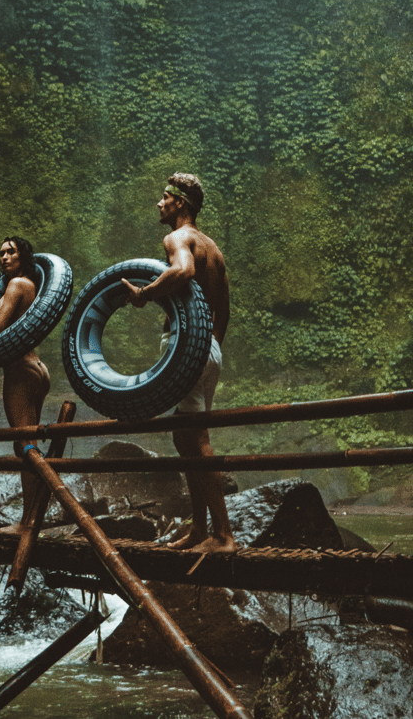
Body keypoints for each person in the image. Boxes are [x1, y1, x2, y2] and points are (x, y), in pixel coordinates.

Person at [121, 173, 235, 554]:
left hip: (190, 348)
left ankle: (224, 535)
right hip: (209, 349)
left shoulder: (178, 239)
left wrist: (145, 294)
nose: (159, 203)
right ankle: (200, 529)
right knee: (183, 435)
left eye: (164, 198)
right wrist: (208, 347)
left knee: (196, 439)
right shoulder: (214, 249)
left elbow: (183, 271)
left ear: (180, 203)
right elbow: (224, 312)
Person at [0, 236, 50, 535]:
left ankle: (28, 522)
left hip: (19, 371)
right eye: (1, 253)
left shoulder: (16, 285)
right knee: (28, 443)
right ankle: (34, 515)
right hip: (37, 368)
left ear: (22, 256)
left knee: (26, 445)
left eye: (10, 252)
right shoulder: (30, 285)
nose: (4, 257)